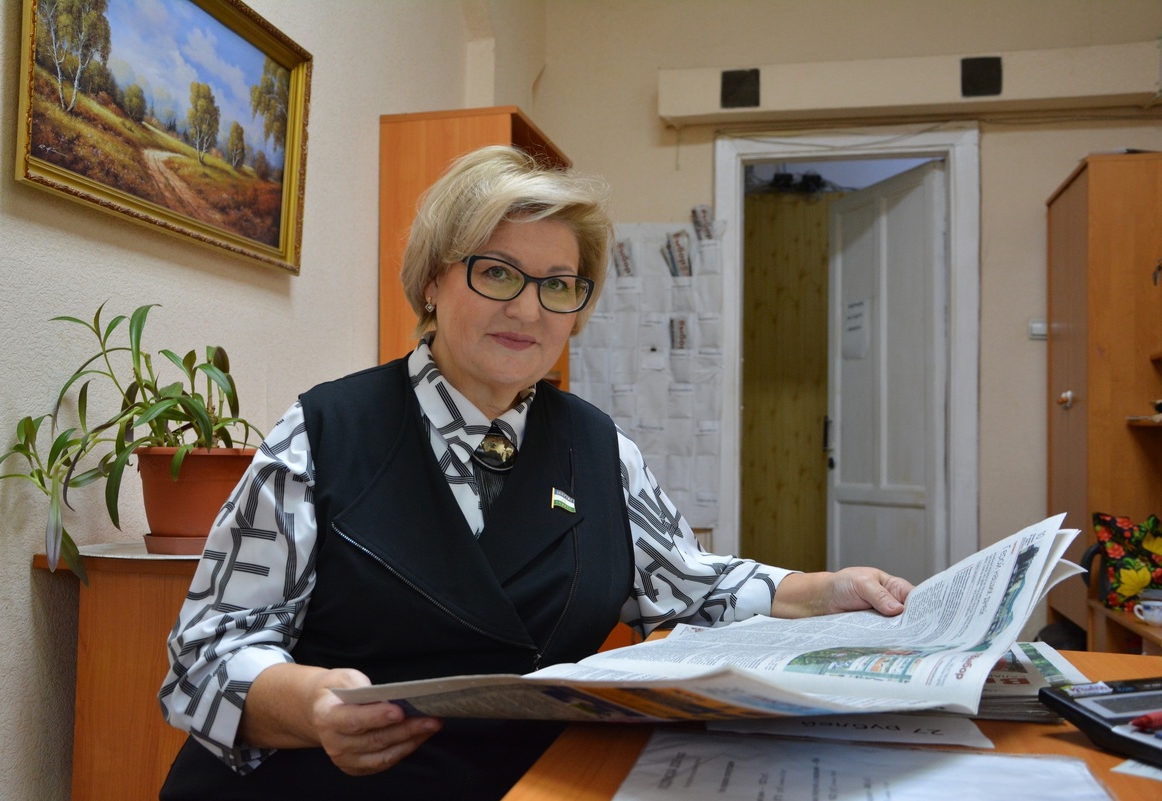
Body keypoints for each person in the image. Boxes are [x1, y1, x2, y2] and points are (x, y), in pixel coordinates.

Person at [157, 145, 913, 800]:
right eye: (498, 272)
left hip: (527, 785)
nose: (529, 309)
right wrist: (312, 704)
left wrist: (822, 590)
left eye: (558, 283)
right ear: (432, 281)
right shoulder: (324, 432)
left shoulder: (599, 447)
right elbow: (205, 655)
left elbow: (689, 583)